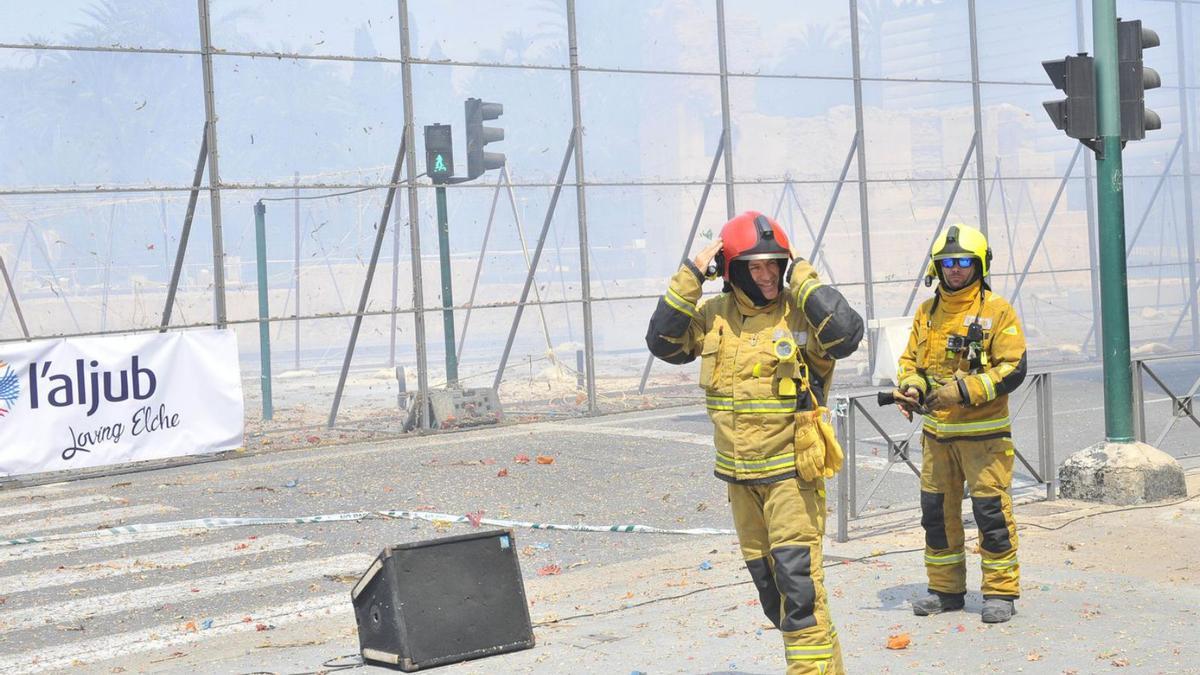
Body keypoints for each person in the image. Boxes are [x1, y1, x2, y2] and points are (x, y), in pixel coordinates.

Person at [646, 211, 863, 674]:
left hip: (791, 477)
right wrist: (690, 275)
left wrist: (803, 277)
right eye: (755, 266)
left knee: (800, 591)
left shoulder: (801, 311)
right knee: (775, 598)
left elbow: (846, 337)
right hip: (741, 482)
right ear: (733, 269)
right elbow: (663, 344)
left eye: (774, 264)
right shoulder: (713, 317)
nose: (767, 275)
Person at [892, 223, 1028, 624]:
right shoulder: (926, 312)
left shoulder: (996, 311)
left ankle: (1000, 592)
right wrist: (912, 388)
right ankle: (945, 590)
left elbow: (1015, 368)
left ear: (980, 265)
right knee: (936, 514)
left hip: (984, 438)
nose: (955, 269)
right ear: (937, 267)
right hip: (937, 438)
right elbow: (909, 364)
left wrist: (964, 391)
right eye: (948, 262)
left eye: (964, 262)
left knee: (991, 514)